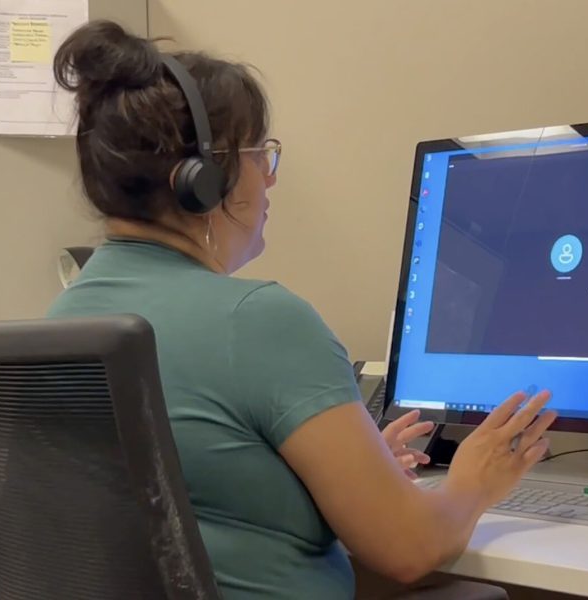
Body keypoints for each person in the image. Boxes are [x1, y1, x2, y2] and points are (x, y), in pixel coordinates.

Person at [48, 20, 557, 600]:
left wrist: (352, 470)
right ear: (202, 180)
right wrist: (474, 482)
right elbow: (410, 549)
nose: (268, 179)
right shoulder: (258, 320)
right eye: (258, 155)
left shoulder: (64, 321)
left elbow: (198, 492)